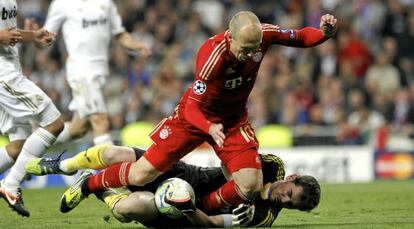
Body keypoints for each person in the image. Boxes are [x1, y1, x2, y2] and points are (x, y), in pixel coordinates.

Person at [32, 10, 336, 214]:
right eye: (243, 49)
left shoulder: (263, 35)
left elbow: (299, 37)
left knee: (251, 185)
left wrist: (322, 33)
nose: (248, 55)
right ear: (231, 37)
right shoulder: (212, 55)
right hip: (194, 119)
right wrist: (208, 126)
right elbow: (191, 105)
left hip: (233, 121)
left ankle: (199, 209)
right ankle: (88, 184)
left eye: (253, 48)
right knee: (140, 174)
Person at [26, 144, 321, 227]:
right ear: (292, 179)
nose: (284, 201)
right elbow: (231, 159)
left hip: (182, 209)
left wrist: (187, 207)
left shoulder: (261, 217)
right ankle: (65, 166)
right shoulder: (272, 164)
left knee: (128, 209)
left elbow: (213, 224)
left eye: (290, 205)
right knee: (115, 153)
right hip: (193, 175)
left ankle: (102, 191)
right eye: (290, 195)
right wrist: (244, 187)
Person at [41, 0, 150, 146]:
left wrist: (137, 46)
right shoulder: (62, 4)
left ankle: (35, 140)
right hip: (81, 71)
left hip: (100, 73)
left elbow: (120, 34)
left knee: (77, 129)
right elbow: (43, 37)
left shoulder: (106, 4)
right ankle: (106, 168)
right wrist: (36, 37)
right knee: (101, 122)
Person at [0, 0, 64, 217]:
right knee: (55, 123)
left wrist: (33, 35)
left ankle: (9, 183)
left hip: (10, 69)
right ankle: (10, 184)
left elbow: (8, 32)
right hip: (3, 75)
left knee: (18, 147)